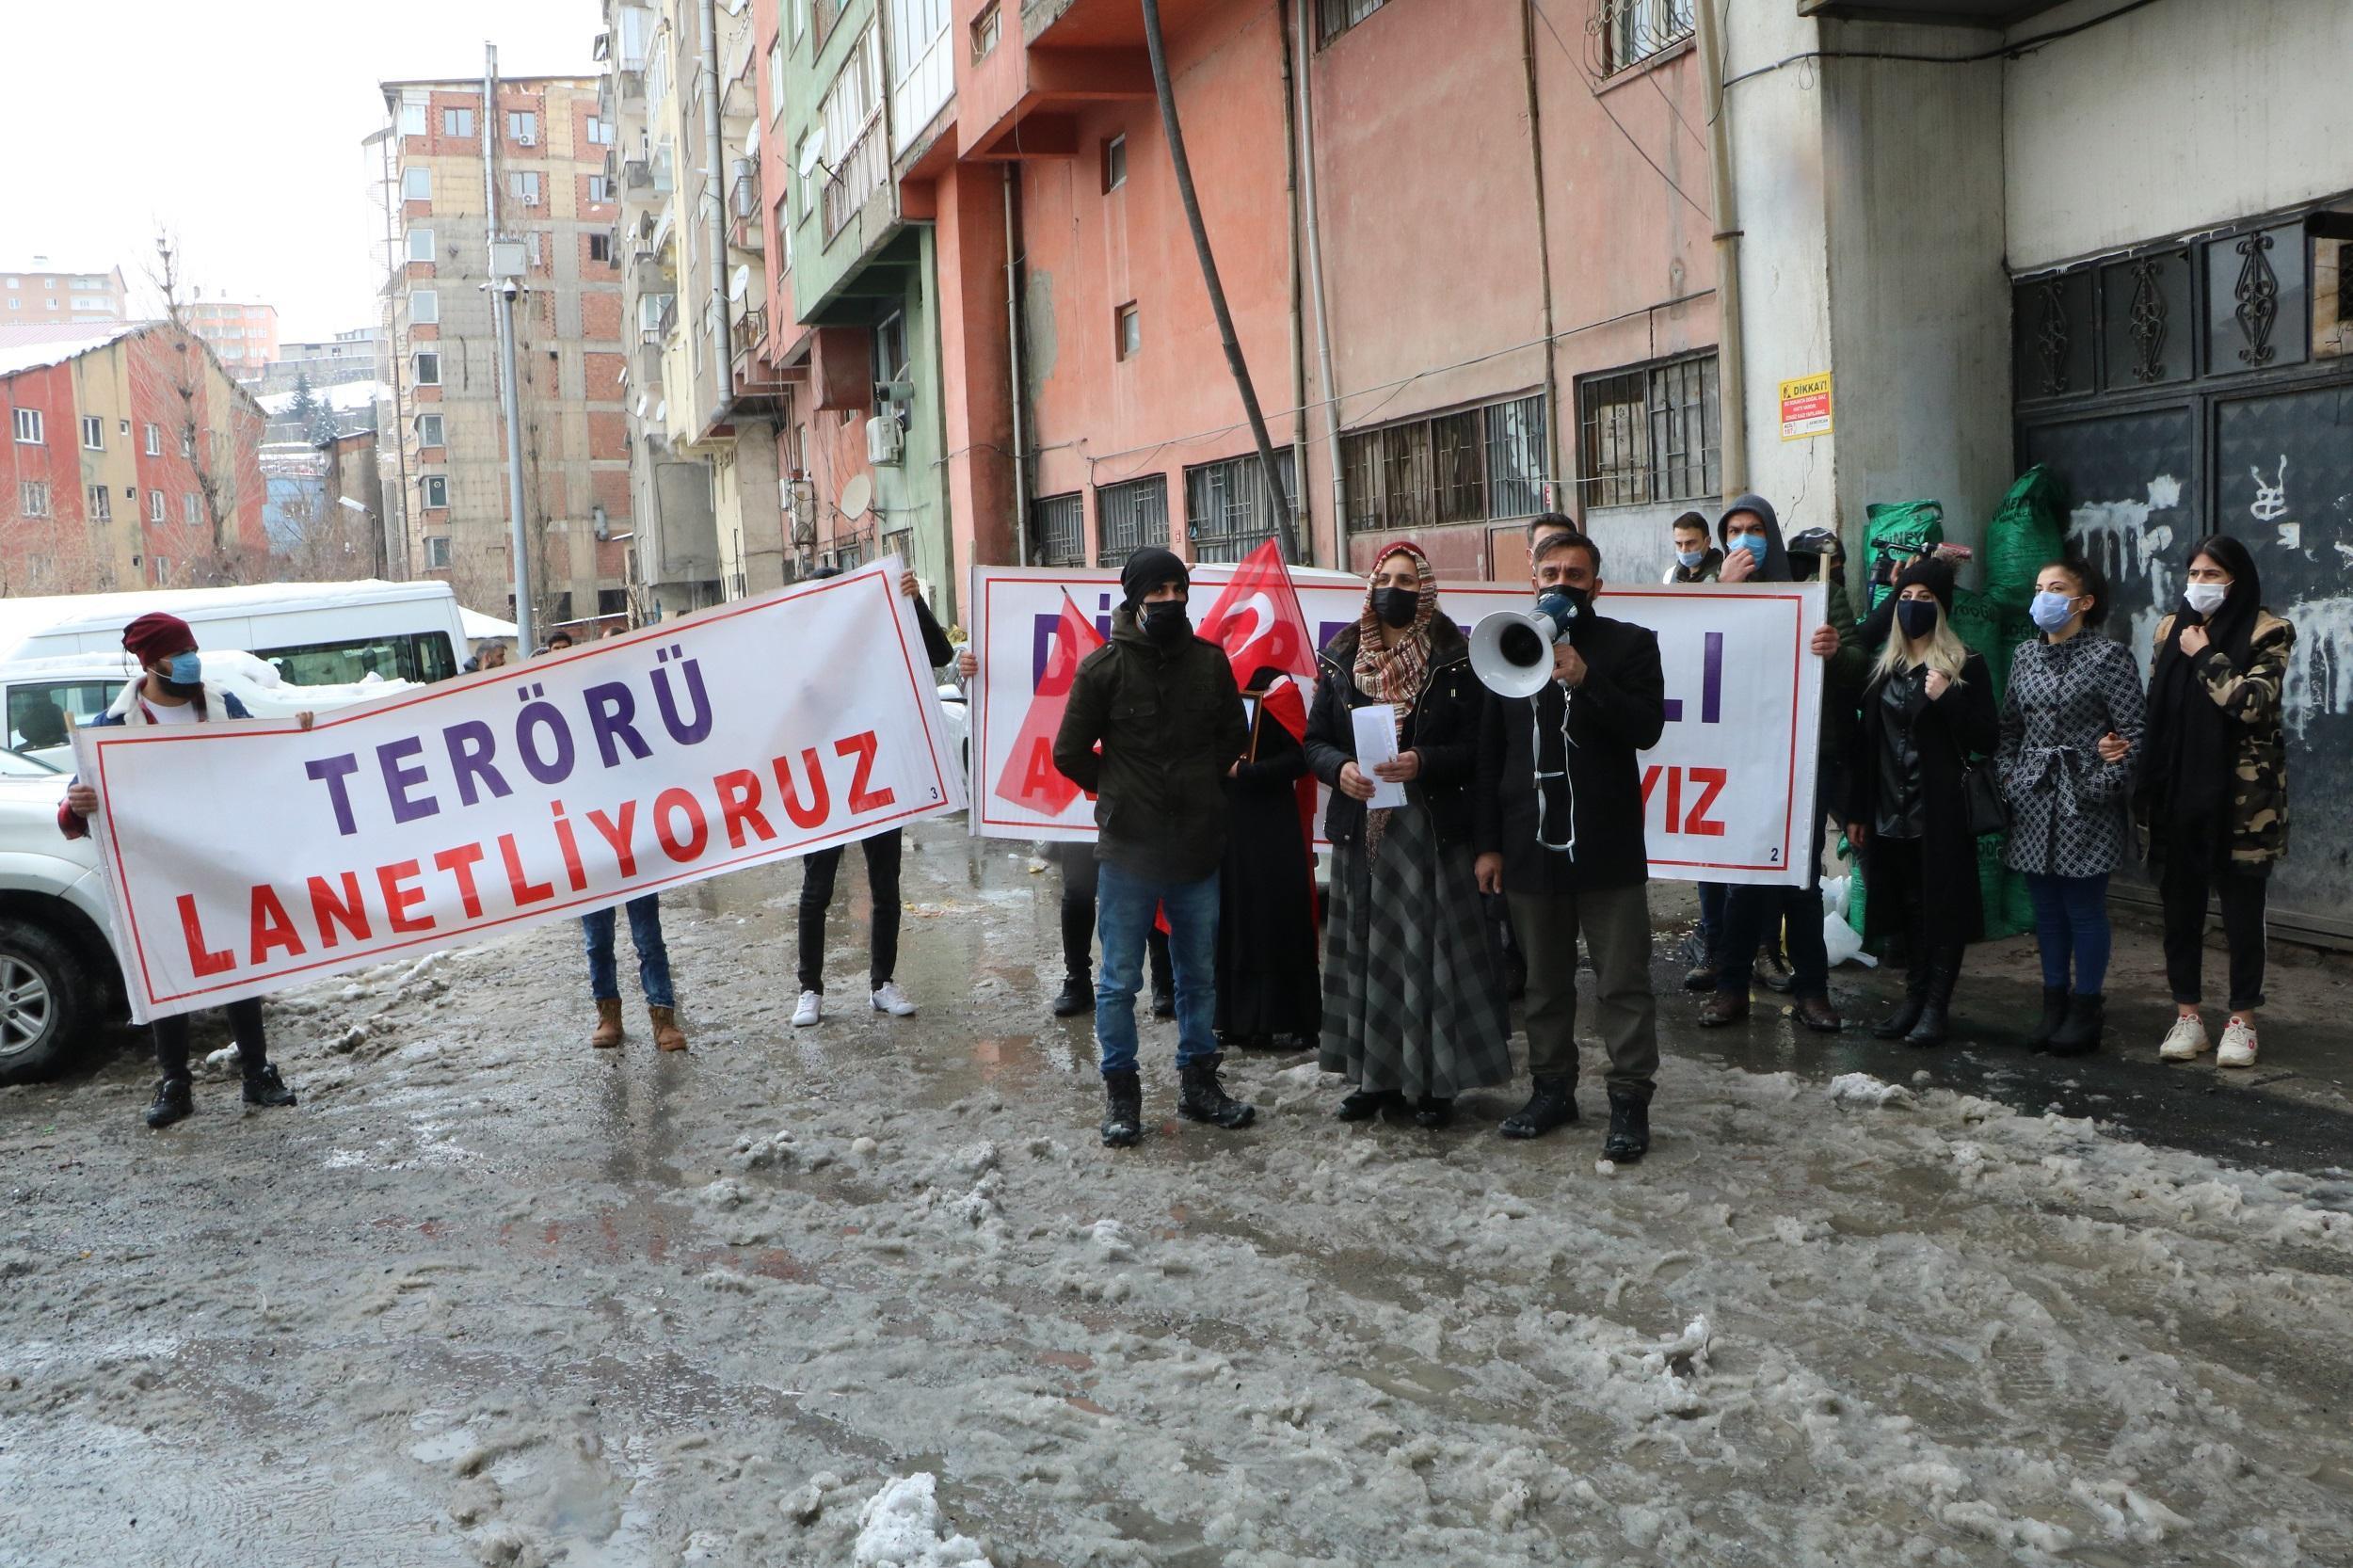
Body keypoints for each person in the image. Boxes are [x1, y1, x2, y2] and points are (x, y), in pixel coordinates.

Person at [56, 613, 301, 1129]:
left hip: (220, 860)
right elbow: (71, 819)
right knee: (168, 969)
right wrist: (77, 804)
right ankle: (174, 1081)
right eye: (178, 654)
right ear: (151, 663)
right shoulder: (111, 729)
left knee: (240, 965)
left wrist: (298, 734)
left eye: (192, 649)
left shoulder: (220, 706)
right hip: (157, 875)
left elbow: (264, 758)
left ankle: (257, 1072)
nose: (191, 661)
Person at [1054, 546, 1256, 1145]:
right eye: (1157, 592)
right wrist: (1117, 792)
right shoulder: (1102, 670)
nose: (1169, 601)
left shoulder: (1209, 665)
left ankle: (1199, 1084)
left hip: (1197, 848)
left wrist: (1199, 788)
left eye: (1177, 590)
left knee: (1198, 977)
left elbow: (1233, 739)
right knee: (1118, 982)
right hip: (1128, 854)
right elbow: (1068, 753)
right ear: (1133, 597)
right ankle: (1122, 1093)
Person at [1305, 541, 1511, 1130]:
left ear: (1425, 589)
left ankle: (1432, 1083)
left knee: (1427, 953)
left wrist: (1423, 760)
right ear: (1370, 586)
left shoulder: (1457, 655)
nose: (1395, 588)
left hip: (1428, 829)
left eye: (1407, 579)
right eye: (1386, 578)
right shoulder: (1343, 655)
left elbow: (1478, 749)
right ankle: (1375, 1080)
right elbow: (1316, 740)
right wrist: (1336, 769)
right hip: (1361, 829)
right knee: (1368, 952)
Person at [1475, 531, 1665, 1160]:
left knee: (1621, 982)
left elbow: (1646, 729)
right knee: (1544, 984)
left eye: (1576, 575)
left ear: (1597, 586)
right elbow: (1490, 757)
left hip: (1606, 847)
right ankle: (1552, 1091)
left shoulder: (1631, 645)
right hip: (1529, 845)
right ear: (1532, 580)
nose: (1562, 583)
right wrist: (1489, 846)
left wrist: (1587, 679)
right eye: (1551, 572)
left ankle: (1629, 1101)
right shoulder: (1507, 643)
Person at [1697, 498, 1862, 1033]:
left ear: (1772, 532)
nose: (1746, 539)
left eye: (1755, 529)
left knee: (1801, 880)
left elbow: (1862, 667)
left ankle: (1813, 992)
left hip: (1805, 761)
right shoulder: (1711, 592)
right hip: (1740, 760)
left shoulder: (1817, 592)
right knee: (1742, 879)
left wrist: (1836, 651)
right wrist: (1723, 594)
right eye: (1736, 531)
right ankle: (1730, 989)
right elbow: (1691, 652)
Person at [2136, 535, 2293, 1069]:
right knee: (2180, 908)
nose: (2199, 585)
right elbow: (2158, 705)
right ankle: (2187, 1016)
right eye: (2194, 574)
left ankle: (2242, 1020)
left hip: (2242, 801)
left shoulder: (2269, 631)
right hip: (2178, 791)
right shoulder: (2168, 630)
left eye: (2212, 575)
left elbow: (2250, 704)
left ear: (2238, 579)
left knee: (2242, 910)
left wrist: (2204, 654)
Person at [952, 650, 1176, 1019]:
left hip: (1139, 785)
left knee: (1149, 883)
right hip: (1080, 795)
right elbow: (1018, 661)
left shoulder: (1147, 639)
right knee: (1078, 889)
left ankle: (1164, 981)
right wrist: (975, 669)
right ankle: (1078, 979)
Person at [1844, 558, 1998, 1047]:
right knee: (1907, 907)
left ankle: (1936, 1006)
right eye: (1906, 599)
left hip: (1940, 810)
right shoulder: (1881, 667)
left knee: (1942, 908)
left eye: (1925, 600)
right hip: (1888, 807)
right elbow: (1865, 745)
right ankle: (1912, 998)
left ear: (1942, 609)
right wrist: (1856, 811)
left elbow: (1987, 738)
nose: (1913, 608)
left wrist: (1948, 698)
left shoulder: (1964, 664)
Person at [793, 569, 957, 1026]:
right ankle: (810, 989)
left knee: (885, 886)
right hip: (824, 783)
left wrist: (914, 603)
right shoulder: (795, 648)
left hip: (877, 777)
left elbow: (941, 653)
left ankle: (881, 983)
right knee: (815, 891)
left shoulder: (880, 635)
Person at [1995, 557, 2144, 1055]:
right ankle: (2052, 1002)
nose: (2045, 597)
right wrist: (2011, 779)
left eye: (2056, 588)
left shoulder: (2110, 657)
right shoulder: (2023, 656)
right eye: (2040, 587)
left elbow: (2134, 734)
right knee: (2046, 910)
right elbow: (2009, 729)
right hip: (2034, 798)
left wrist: (2104, 783)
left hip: (2087, 798)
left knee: (2083, 908)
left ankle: (2087, 1007)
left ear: (2084, 602)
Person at [1215, 664, 1322, 1050]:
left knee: (1279, 915)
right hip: (1231, 823)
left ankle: (1294, 1018)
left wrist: (1248, 773)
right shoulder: (1211, 681)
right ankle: (1241, 1019)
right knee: (1238, 916)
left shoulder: (1281, 688)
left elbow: (1301, 758)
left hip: (1274, 824)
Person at [584, 894, 685, 1051]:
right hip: (591, 876)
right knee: (598, 943)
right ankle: (608, 1016)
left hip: (637, 872)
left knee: (649, 941)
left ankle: (663, 1019)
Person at [1661, 509, 1721, 585]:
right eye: (1679, 544)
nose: (1684, 550)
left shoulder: (1723, 572)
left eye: (1690, 543)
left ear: (1707, 542)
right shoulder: (1670, 575)